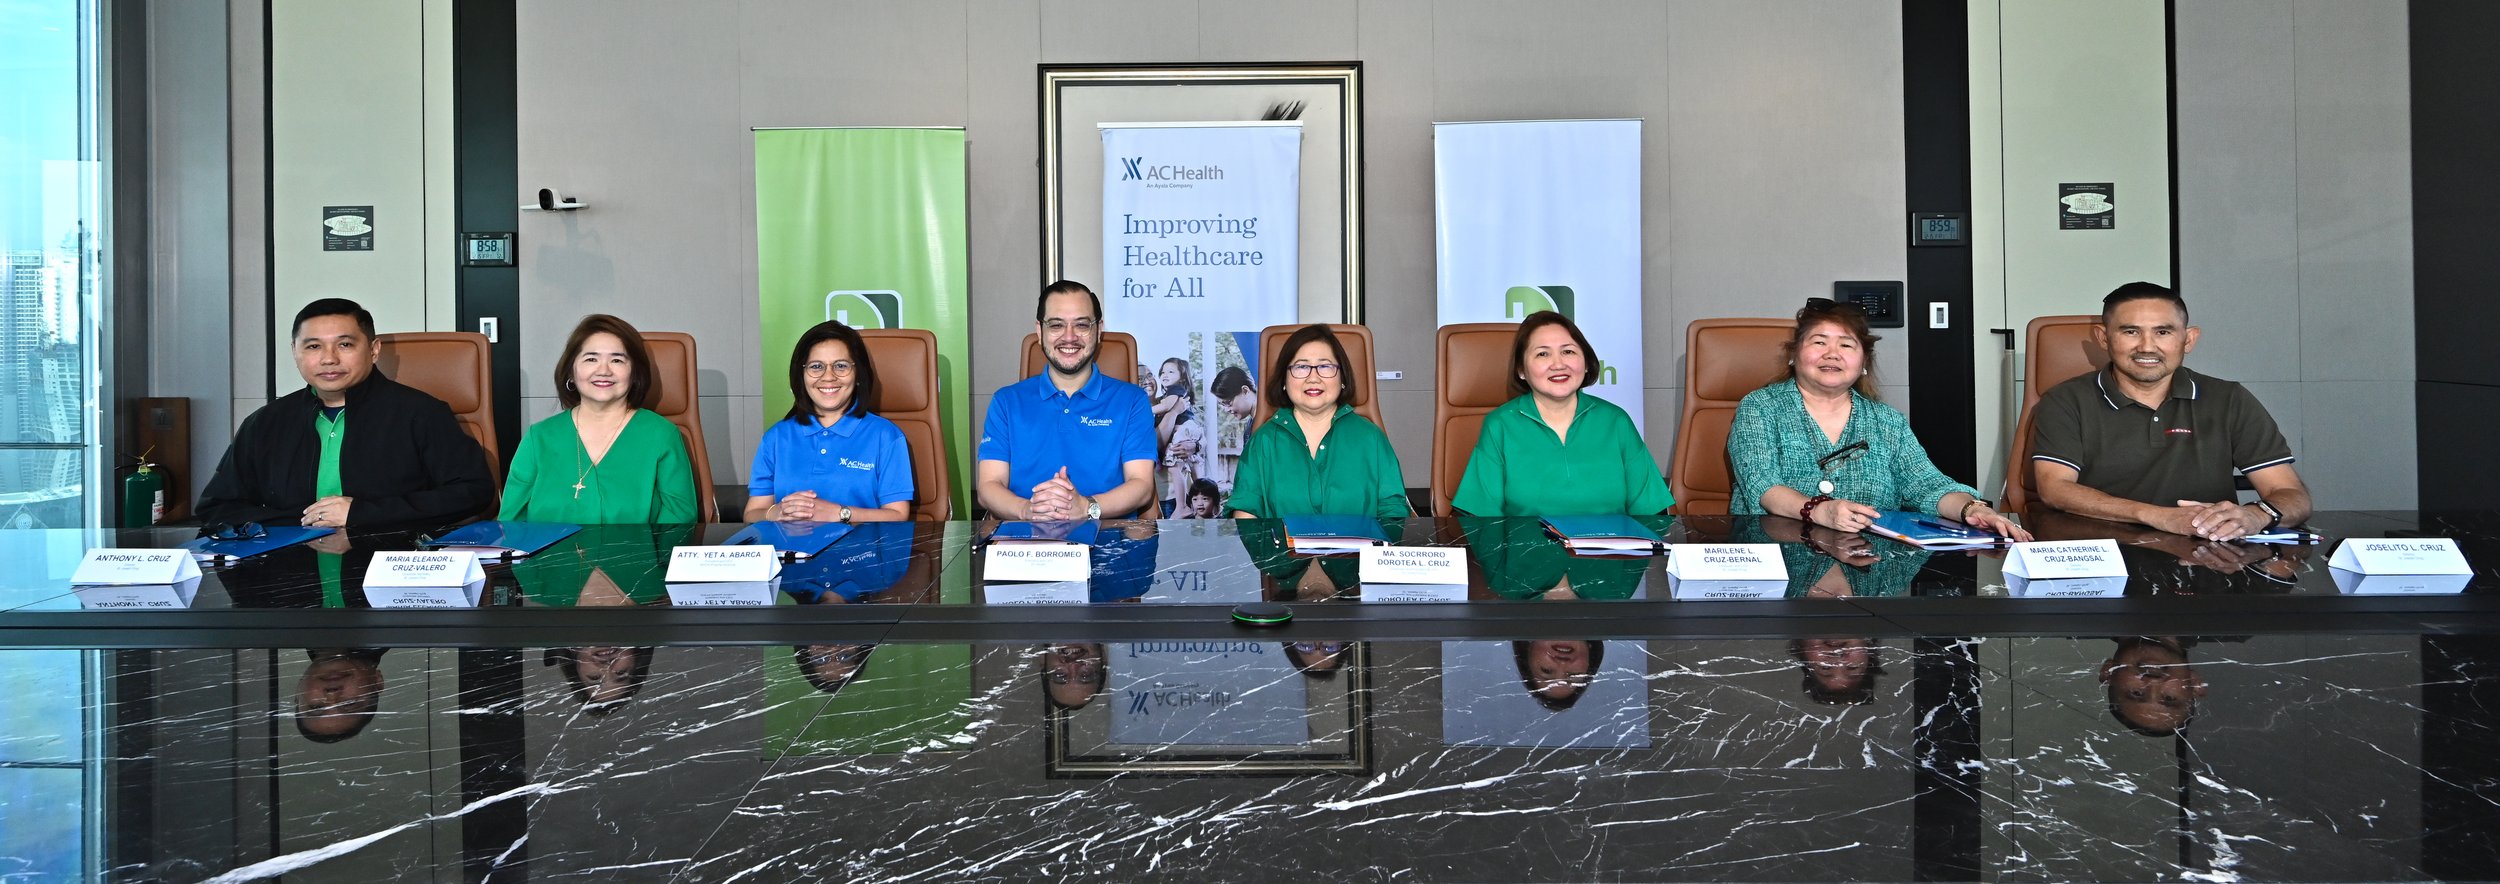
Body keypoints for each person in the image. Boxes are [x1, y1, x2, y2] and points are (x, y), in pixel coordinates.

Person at [2031, 282, 2313, 541]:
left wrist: (2256, 515)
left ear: (2188, 340)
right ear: (2103, 338)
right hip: (2103, 556)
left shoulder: (2228, 399)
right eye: (2130, 331)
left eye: (2163, 332)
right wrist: (2158, 516)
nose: (2147, 346)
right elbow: (2055, 489)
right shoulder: (2066, 400)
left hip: (2209, 558)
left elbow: (2291, 494)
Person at [1728, 298, 2030, 540]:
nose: (1832, 354)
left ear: (1863, 363)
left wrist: (1973, 509)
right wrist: (1820, 511)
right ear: (1794, 355)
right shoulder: (1760, 407)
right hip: (1780, 557)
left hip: (1872, 560)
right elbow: (1762, 484)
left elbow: (1926, 485)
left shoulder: (1886, 421)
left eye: (1846, 345)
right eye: (1819, 342)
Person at [199, 298, 495, 531]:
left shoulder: (421, 414)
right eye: (313, 346)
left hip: (392, 568)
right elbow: (218, 507)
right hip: (290, 569)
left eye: (345, 344)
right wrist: (301, 522)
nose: (329, 359)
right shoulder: (265, 423)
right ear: (295, 352)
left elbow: (472, 492)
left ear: (374, 350)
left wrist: (359, 513)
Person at [1451, 311, 1672, 516]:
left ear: (1586, 363)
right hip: (1527, 557)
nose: (1558, 364)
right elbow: (1480, 522)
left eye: (1568, 351)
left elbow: (1652, 515)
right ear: (1521, 370)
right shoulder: (1499, 425)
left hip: (1610, 556)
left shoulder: (1616, 421)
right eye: (1542, 354)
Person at [975, 281, 1156, 520]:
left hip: (1109, 541)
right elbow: (988, 486)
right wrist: (1027, 510)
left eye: (1081, 325)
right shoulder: (1006, 402)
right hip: (1024, 541)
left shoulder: (1133, 401)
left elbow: (1141, 485)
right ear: (1040, 331)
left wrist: (1087, 508)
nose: (1069, 337)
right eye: (1056, 325)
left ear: (1098, 329)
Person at [499, 314, 698, 523]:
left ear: (635, 373)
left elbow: (679, 521)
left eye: (617, 360)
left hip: (637, 555)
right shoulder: (538, 438)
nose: (604, 371)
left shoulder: (661, 435)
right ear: (571, 371)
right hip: (547, 556)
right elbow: (511, 523)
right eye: (591, 359)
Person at [1226, 324, 1409, 520]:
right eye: (1302, 367)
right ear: (1284, 381)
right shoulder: (1263, 442)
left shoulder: (1371, 438)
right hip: (1280, 551)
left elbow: (1393, 513)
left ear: (1342, 378)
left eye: (1325, 366)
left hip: (1360, 551)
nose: (1313, 378)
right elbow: (1246, 515)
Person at [745, 320, 915, 524]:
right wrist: (776, 512)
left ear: (858, 374)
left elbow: (898, 515)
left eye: (841, 366)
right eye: (816, 367)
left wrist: (840, 513)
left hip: (861, 552)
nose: (828, 377)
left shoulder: (886, 435)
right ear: (801, 376)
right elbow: (752, 514)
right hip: (791, 552)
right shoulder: (776, 437)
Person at [2101, 636, 2207, 736]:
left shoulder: (2089, 619)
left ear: (2109, 672)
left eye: (2137, 693)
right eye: (2169, 698)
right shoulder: (2218, 622)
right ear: (2195, 683)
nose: (2153, 681)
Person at [296, 648, 386, 742]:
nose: (331, 694)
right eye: (349, 703)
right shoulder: (393, 634)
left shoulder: (289, 635)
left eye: (316, 707)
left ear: (298, 692)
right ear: (377, 681)